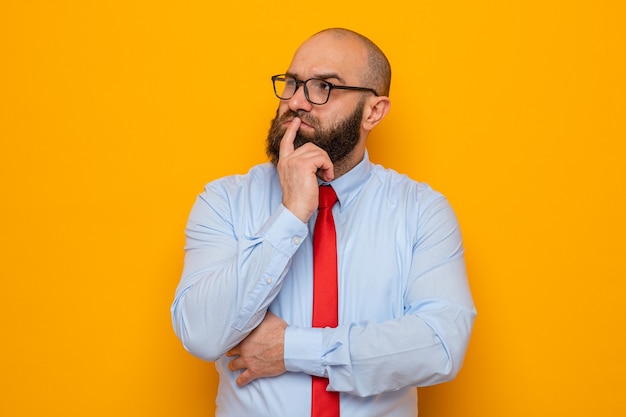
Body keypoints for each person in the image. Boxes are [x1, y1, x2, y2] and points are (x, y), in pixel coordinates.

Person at [171, 28, 476, 416]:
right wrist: (292, 213)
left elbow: (440, 346)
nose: (297, 101)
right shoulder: (225, 201)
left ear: (373, 111)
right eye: (294, 83)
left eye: (323, 87)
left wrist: (291, 349)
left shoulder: (420, 211)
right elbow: (200, 333)